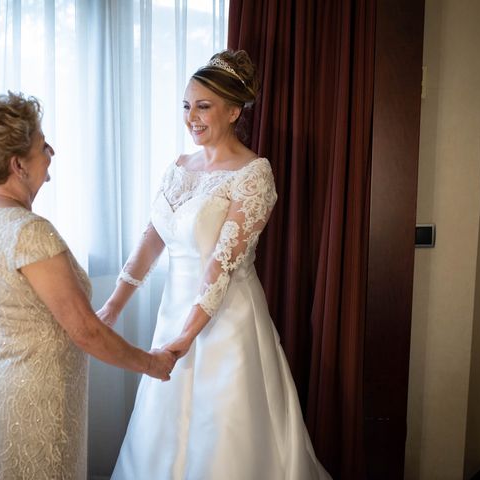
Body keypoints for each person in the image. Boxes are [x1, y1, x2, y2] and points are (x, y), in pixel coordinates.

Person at [100, 51, 331, 479]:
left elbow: (221, 267)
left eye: (203, 106)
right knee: (161, 428)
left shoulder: (253, 173)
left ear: (233, 111)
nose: (191, 117)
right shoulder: (179, 168)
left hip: (228, 320)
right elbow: (151, 240)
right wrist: (113, 306)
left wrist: (186, 338)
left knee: (222, 425)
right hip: (173, 312)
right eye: (186, 106)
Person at [0, 92, 176, 480]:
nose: (50, 151)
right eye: (42, 145)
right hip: (35, 397)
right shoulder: (29, 232)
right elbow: (85, 331)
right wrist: (151, 363)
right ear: (17, 164)